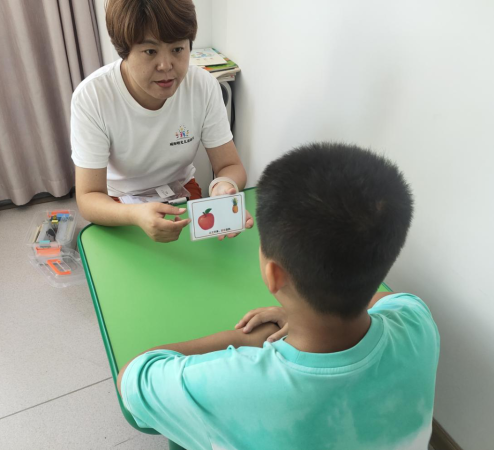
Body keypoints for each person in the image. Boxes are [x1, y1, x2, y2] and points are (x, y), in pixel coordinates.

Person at [116, 142, 440, 450]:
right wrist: (304, 313)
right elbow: (390, 299)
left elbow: (132, 377)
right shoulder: (417, 322)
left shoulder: (229, 385)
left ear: (274, 275)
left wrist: (246, 340)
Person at [70, 0, 253, 243]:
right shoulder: (93, 96)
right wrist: (135, 215)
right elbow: (89, 197)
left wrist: (224, 187)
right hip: (118, 205)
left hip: (180, 191)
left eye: (177, 49)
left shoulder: (203, 86)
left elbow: (230, 165)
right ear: (124, 50)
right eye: (150, 51)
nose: (166, 66)